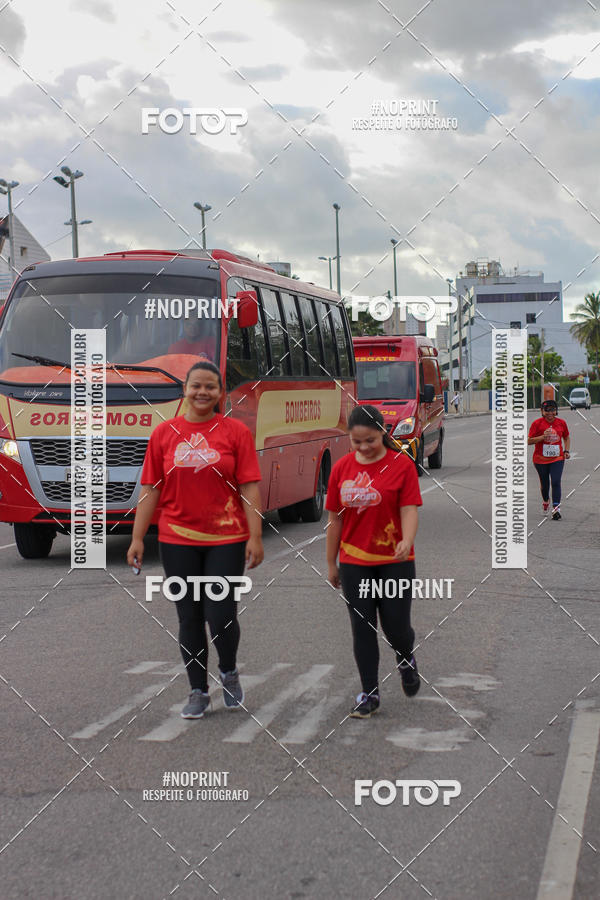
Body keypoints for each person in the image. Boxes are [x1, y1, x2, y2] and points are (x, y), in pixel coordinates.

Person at [127, 360, 264, 718]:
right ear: (184, 390)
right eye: (196, 386)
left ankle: (229, 671)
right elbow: (150, 488)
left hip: (227, 536)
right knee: (189, 618)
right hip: (177, 538)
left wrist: (256, 535)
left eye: (210, 387)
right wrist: (138, 538)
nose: (202, 392)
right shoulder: (164, 434)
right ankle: (198, 691)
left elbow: (249, 485)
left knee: (220, 617)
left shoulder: (235, 432)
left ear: (220, 393)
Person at [326, 404, 423, 719]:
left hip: (395, 561)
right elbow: (334, 521)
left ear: (383, 432)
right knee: (363, 628)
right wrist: (331, 563)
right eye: (357, 442)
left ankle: (406, 658)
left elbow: (409, 508)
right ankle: (369, 693)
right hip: (354, 562)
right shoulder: (341, 469)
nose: (364, 447)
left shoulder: (401, 465)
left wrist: (407, 539)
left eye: (370, 440)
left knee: (396, 627)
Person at [528, 399, 570, 520]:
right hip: (540, 459)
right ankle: (546, 501)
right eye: (547, 410)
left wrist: (566, 451)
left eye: (553, 410)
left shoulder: (562, 423)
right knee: (545, 485)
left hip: (557, 458)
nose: (550, 412)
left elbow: (566, 438)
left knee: (556, 481)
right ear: (542, 411)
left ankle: (556, 509)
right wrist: (542, 437)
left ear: (556, 411)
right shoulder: (537, 424)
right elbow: (529, 441)